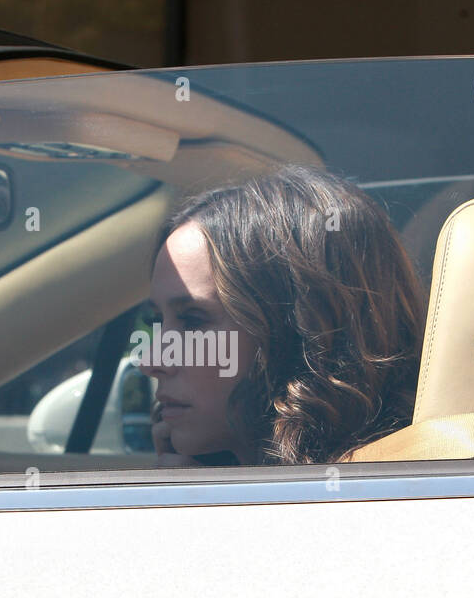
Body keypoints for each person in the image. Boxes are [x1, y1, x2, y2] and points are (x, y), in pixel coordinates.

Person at [139, 164, 426, 467]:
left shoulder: (377, 495)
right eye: (157, 323)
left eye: (193, 322)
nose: (153, 362)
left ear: (300, 335)